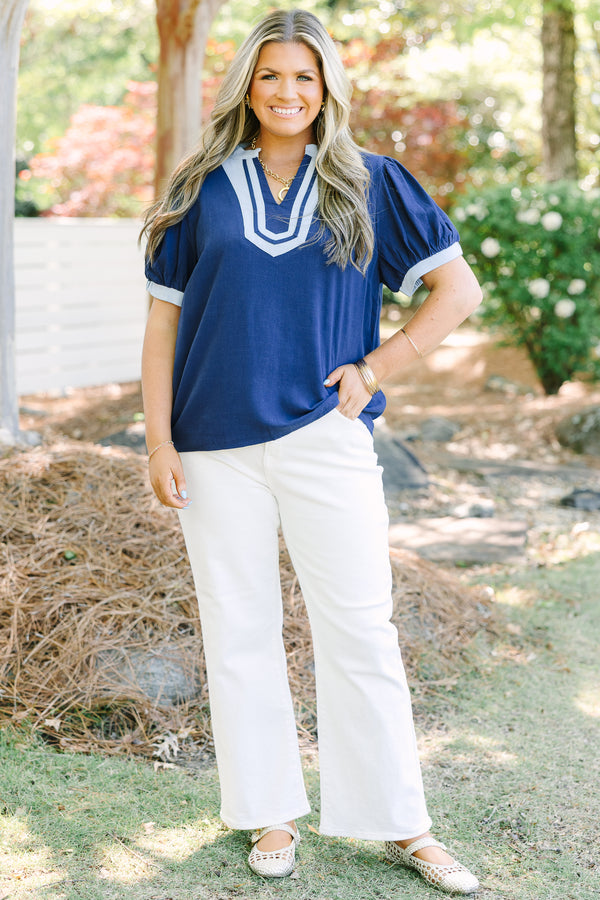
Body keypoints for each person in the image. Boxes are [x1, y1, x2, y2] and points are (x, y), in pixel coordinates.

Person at [140, 8, 482, 893]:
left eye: (304, 76)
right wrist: (158, 440)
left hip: (324, 437)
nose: (288, 93)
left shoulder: (372, 181)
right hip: (212, 446)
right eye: (270, 76)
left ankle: (402, 824)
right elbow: (162, 324)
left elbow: (456, 290)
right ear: (246, 87)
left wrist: (379, 365)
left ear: (327, 85)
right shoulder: (202, 185)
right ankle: (269, 814)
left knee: (362, 627)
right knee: (239, 631)